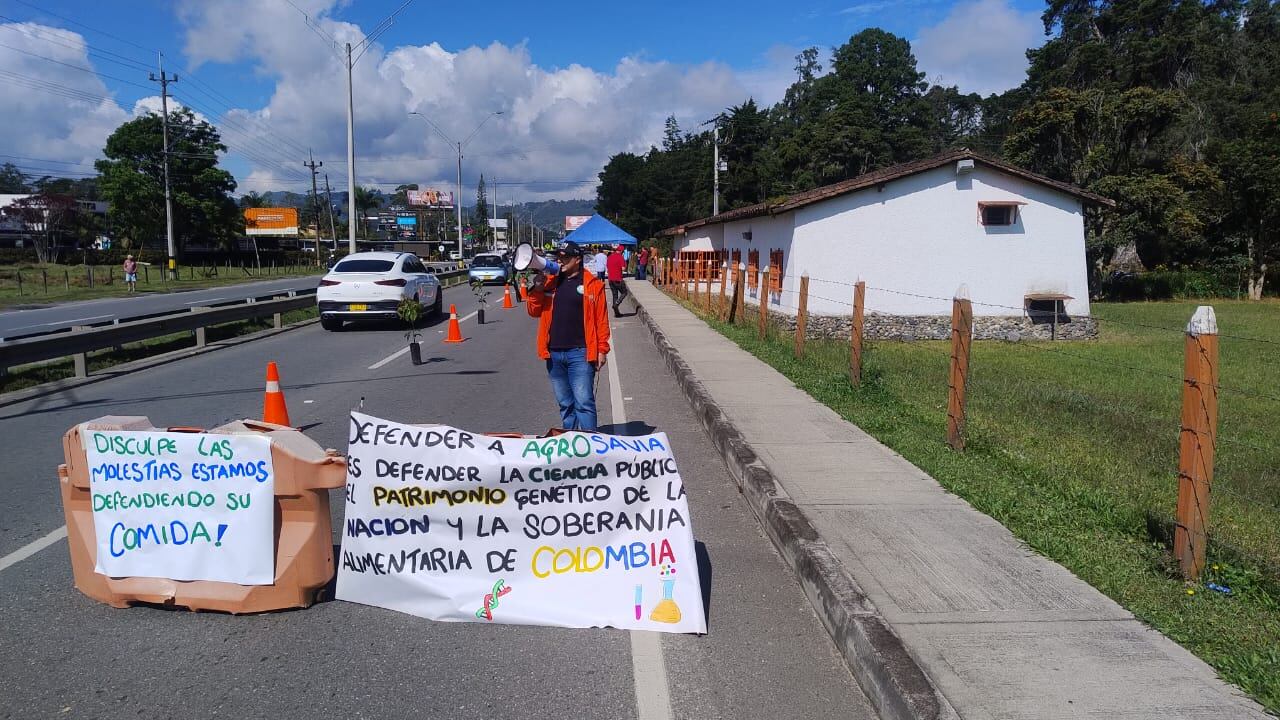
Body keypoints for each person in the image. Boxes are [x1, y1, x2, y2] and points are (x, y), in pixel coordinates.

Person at [526, 241, 610, 431]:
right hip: (554, 353)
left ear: (577, 259)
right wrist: (537, 289)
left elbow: (601, 320)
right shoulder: (551, 283)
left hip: (580, 352)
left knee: (584, 402)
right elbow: (533, 311)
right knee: (565, 404)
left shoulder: (593, 285)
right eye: (558, 257)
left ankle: (590, 445)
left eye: (565, 257)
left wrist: (602, 349)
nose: (560, 260)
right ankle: (570, 445)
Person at [606, 244, 628, 315]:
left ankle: (617, 313)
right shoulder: (620, 257)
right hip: (618, 279)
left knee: (614, 295)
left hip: (610, 279)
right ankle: (617, 303)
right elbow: (623, 268)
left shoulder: (609, 257)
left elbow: (607, 267)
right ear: (621, 251)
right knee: (624, 292)